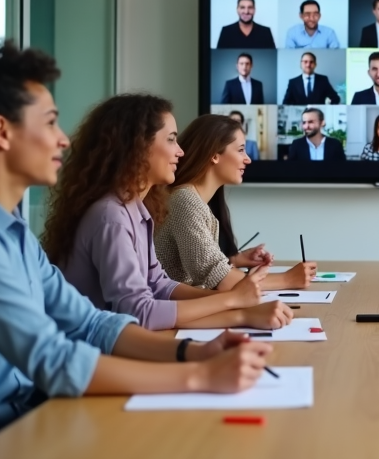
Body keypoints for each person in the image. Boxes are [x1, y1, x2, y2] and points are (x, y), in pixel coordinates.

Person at [0, 41, 272, 448]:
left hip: (21, 419)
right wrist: (200, 377)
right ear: (2, 132)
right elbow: (53, 359)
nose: (64, 140)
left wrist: (195, 354)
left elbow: (91, 322)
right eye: (50, 123)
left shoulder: (12, 231)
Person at [46, 94, 293, 332]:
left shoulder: (136, 210)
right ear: (139, 147)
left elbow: (160, 286)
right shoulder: (112, 217)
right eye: (172, 139)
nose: (180, 152)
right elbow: (140, 313)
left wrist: (238, 306)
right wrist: (233, 304)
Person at [157, 114, 317, 291]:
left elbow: (207, 267)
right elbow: (219, 279)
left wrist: (233, 260)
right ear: (214, 155)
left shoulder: (192, 199)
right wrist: (287, 280)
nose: (247, 159)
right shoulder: (185, 200)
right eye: (241, 150)